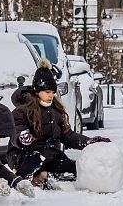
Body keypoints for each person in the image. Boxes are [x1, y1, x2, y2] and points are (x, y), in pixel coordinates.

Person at [8, 59, 111, 188]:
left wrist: (88, 142)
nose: (51, 96)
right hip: (26, 157)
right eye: (47, 92)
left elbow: (67, 135)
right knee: (36, 158)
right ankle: (26, 179)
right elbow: (15, 135)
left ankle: (45, 175)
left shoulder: (55, 110)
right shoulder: (22, 111)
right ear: (37, 91)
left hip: (51, 156)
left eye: (53, 92)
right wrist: (22, 138)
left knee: (76, 170)